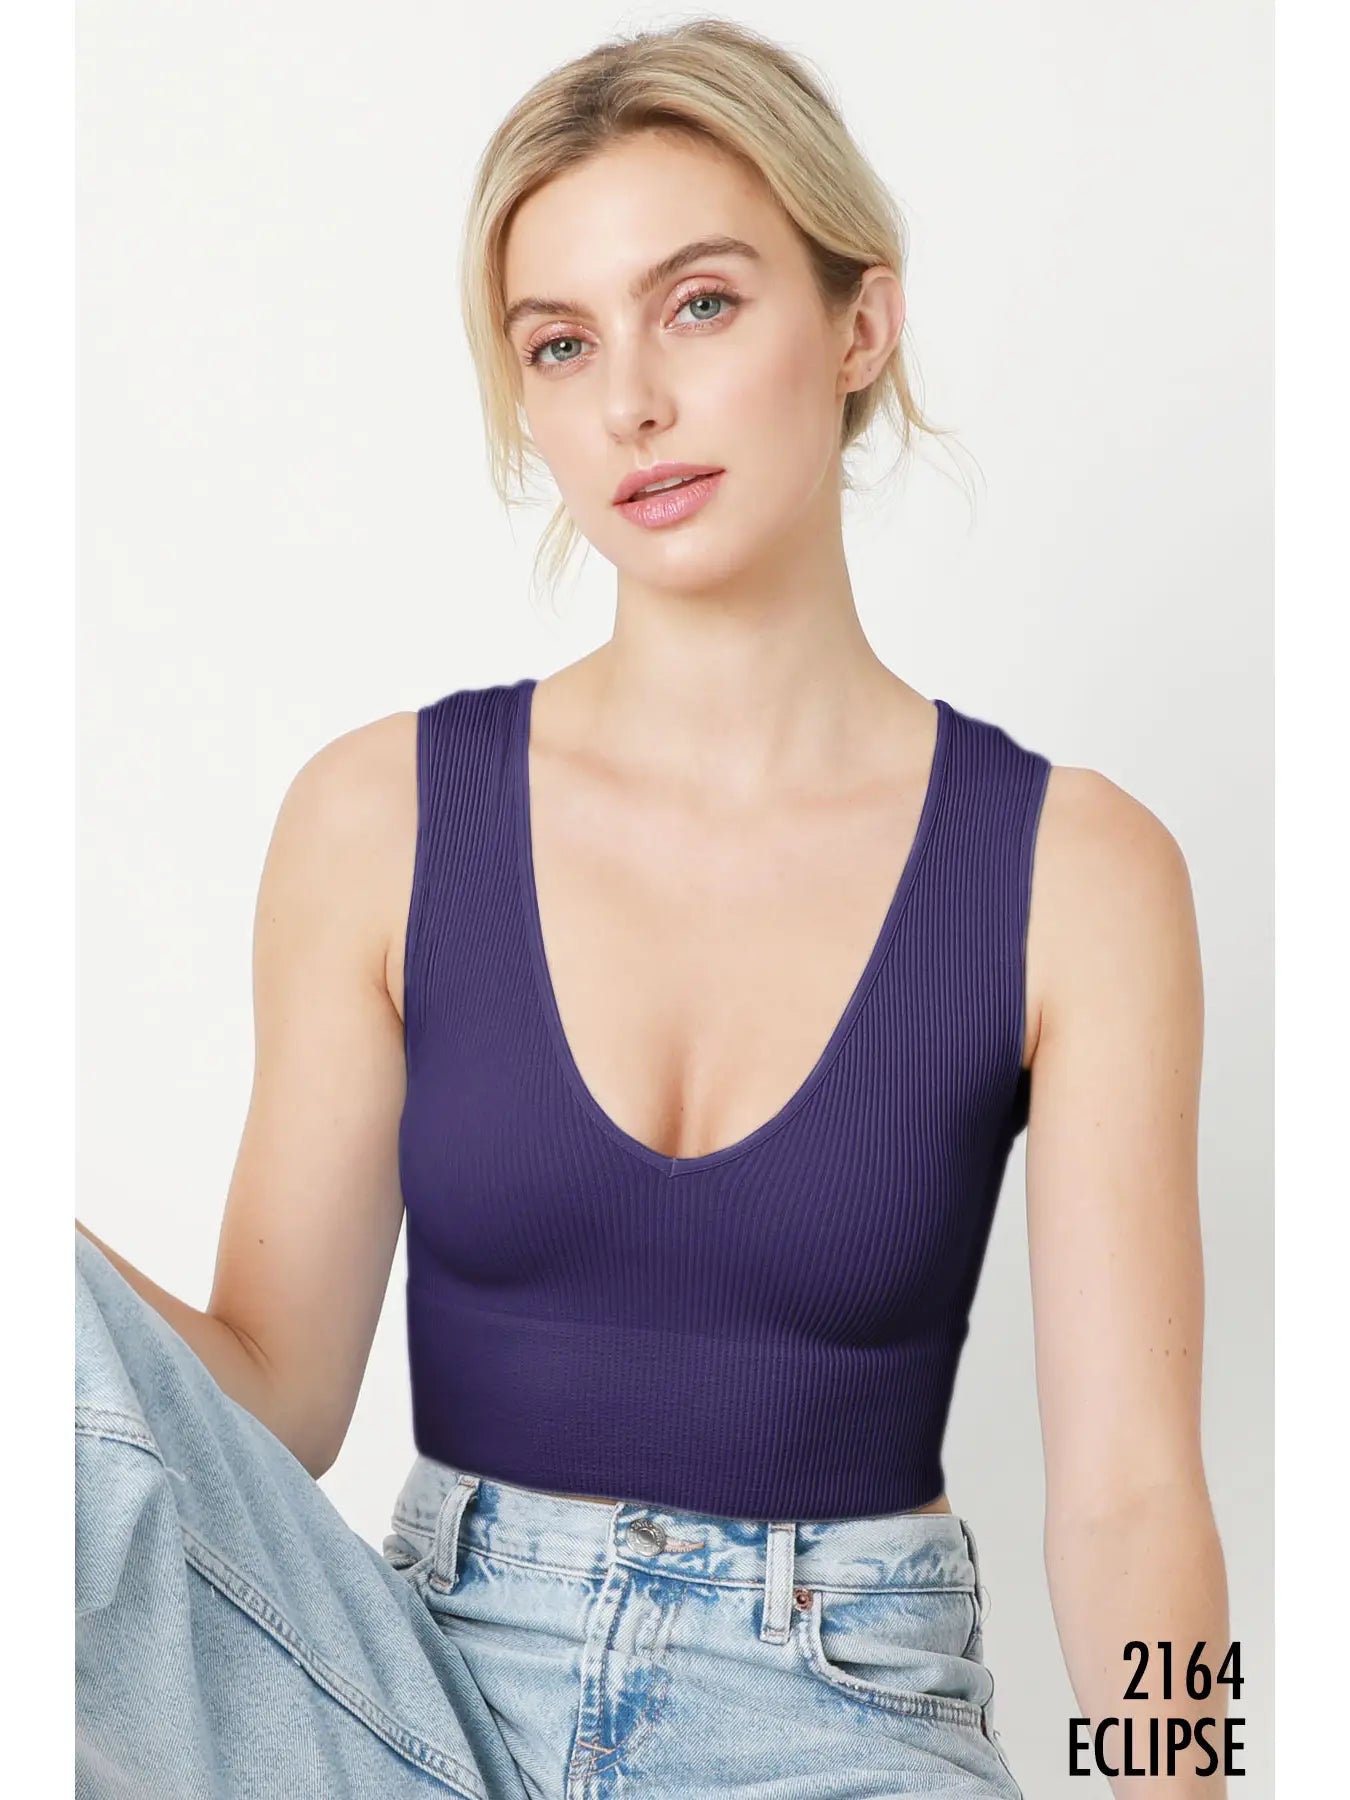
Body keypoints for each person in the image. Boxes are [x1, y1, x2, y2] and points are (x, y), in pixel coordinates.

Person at [75, 17, 1229, 1798]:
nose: (628, 401)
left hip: (841, 1726)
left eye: (697, 304)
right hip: (414, 1712)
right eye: (560, 343)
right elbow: (272, 1395)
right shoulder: (380, 818)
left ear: (858, 325)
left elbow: (1133, 1497)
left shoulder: (1076, 873)